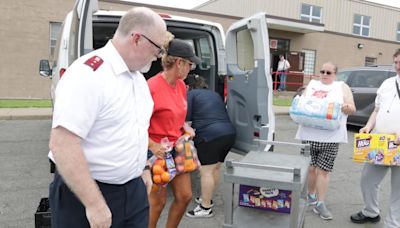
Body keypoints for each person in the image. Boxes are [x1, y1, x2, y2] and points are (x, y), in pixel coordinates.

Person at [47, 7, 167, 228]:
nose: (158, 56)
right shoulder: (88, 75)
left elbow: (134, 130)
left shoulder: (138, 79)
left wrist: (143, 168)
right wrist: (94, 204)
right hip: (88, 194)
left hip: (133, 191)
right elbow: (63, 143)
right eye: (157, 48)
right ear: (137, 39)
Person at [147, 38, 200, 228]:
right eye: (189, 64)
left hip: (176, 147)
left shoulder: (180, 86)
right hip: (156, 151)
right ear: (179, 63)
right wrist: (152, 146)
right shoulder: (151, 87)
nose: (191, 69)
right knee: (157, 202)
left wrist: (184, 126)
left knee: (185, 196)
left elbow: (176, 113)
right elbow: (134, 124)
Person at [295, 62, 356, 220]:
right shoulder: (313, 84)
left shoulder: (341, 87)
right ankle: (311, 196)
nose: (324, 74)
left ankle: (320, 203)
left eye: (329, 72)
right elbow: (303, 103)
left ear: (335, 74)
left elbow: (352, 108)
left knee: (323, 171)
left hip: (330, 138)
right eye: (322, 71)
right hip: (308, 135)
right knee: (310, 168)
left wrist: (345, 107)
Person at [350, 49, 400, 228]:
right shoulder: (387, 83)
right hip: (380, 142)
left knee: (398, 189)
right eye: (396, 62)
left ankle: (393, 224)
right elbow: (377, 109)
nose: (398, 66)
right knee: (368, 179)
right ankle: (371, 212)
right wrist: (368, 127)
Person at [184, 75, 236, 218]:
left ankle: (205, 207)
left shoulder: (190, 95)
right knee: (216, 167)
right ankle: (207, 198)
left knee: (206, 172)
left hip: (209, 135)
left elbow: (186, 122)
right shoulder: (214, 94)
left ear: (188, 86)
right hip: (229, 133)